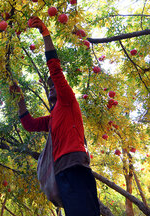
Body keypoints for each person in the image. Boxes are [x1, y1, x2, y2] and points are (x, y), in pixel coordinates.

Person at [11, 17, 100, 215]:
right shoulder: (52, 118)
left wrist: (45, 33)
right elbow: (29, 124)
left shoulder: (67, 100)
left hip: (75, 164)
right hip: (61, 171)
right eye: (50, 87)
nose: (52, 88)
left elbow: (55, 69)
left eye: (54, 85)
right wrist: (19, 98)